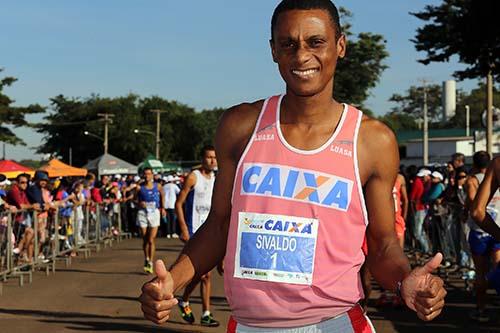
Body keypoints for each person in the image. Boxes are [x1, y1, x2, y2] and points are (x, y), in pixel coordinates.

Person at [139, 1, 446, 331]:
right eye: (288, 43)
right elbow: (219, 226)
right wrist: (172, 280)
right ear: (273, 50)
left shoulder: (371, 141)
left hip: (335, 323)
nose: (301, 56)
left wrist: (404, 281)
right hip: (250, 325)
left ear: (340, 46)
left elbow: (383, 243)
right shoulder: (240, 126)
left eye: (316, 42)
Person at [175, 145, 219, 327]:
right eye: (209, 157)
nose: (212, 160)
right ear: (202, 158)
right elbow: (179, 203)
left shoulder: (217, 179)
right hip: (194, 231)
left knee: (206, 275)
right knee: (202, 274)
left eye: (215, 157)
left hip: (209, 231)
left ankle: (200, 310)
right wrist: (184, 228)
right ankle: (189, 303)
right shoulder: (194, 177)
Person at [466, 152, 500, 322]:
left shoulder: (496, 165)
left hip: (482, 232)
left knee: (481, 273)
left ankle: (481, 310)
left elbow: (476, 211)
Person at [137, 168, 164, 274]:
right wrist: (140, 203)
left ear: (152, 175)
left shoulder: (158, 186)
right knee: (145, 239)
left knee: (151, 240)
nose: (147, 176)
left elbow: (162, 195)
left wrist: (163, 208)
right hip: (142, 213)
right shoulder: (140, 187)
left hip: (154, 213)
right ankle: (146, 258)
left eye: (149, 174)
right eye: (145, 174)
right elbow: (135, 200)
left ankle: (150, 262)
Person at [410, 169, 432, 255]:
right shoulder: (422, 183)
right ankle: (426, 249)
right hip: (421, 208)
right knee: (420, 230)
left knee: (417, 232)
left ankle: (426, 249)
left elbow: (412, 196)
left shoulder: (417, 182)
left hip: (419, 208)